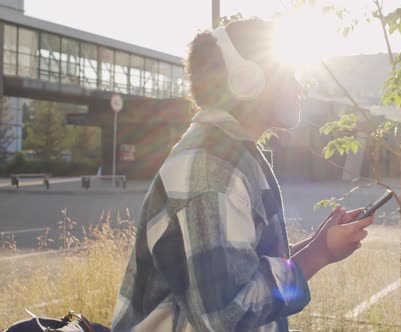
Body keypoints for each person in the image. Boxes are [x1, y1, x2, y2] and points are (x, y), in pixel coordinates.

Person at [111, 18, 374, 332]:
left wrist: (317, 244)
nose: (300, 86)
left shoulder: (228, 154)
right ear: (247, 80)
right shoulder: (212, 169)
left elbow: (242, 272)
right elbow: (225, 316)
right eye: (289, 74)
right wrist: (320, 254)